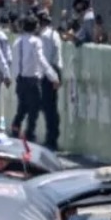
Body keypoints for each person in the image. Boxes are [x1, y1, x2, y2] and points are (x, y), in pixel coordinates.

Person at [8, 15, 58, 140]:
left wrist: (14, 76)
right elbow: (41, 59)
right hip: (32, 81)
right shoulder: (36, 41)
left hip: (20, 79)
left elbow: (14, 62)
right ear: (35, 27)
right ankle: (29, 133)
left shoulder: (17, 41)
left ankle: (15, 128)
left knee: (22, 108)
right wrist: (53, 76)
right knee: (34, 109)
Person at [36, 10, 64, 149]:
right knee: (50, 106)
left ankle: (52, 138)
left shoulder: (45, 36)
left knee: (49, 107)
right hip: (54, 70)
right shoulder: (54, 33)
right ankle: (52, 137)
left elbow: (45, 59)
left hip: (50, 71)